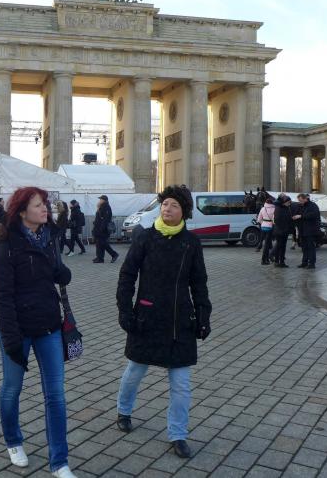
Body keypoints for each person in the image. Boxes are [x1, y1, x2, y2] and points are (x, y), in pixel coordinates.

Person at [115, 185, 211, 459]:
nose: (167, 209)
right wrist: (125, 310)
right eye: (165, 204)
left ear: (184, 212)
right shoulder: (145, 237)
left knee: (181, 383)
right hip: (147, 318)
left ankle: (178, 434)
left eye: (174, 205)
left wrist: (203, 314)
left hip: (180, 322)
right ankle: (123, 410)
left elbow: (199, 282)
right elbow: (127, 276)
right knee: (135, 370)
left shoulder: (191, 243)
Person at [0, 186, 75, 477]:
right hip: (17, 330)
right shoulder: (5, 245)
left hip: (49, 326)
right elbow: (2, 296)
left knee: (56, 395)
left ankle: (60, 462)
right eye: (39, 205)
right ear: (22, 211)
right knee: (11, 389)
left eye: (45, 205)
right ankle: (13, 441)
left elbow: (57, 274)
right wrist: (11, 339)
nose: (45, 209)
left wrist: (62, 272)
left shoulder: (49, 238)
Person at [293, 194, 320, 269]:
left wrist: (301, 216)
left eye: (300, 200)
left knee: (311, 247)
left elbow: (314, 215)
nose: (299, 202)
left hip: (310, 230)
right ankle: (304, 262)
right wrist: (295, 216)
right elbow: (297, 213)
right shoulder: (300, 206)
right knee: (304, 247)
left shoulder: (313, 205)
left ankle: (312, 263)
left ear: (305, 199)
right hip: (302, 229)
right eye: (299, 200)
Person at [92, 195, 118, 263]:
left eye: (100, 199)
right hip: (98, 228)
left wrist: (101, 229)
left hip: (103, 229)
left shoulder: (106, 207)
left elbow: (106, 219)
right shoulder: (101, 207)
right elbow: (99, 218)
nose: (99, 200)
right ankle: (100, 258)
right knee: (99, 243)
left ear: (104, 200)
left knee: (103, 243)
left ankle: (114, 254)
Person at [271, 195, 292, 268]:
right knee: (279, 247)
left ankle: (282, 262)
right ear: (284, 202)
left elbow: (287, 217)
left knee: (283, 247)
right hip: (279, 231)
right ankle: (277, 262)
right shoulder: (278, 208)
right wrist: (286, 223)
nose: (289, 204)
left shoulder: (286, 208)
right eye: (288, 202)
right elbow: (277, 220)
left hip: (284, 230)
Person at [256, 196, 275, 265]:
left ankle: (268, 258)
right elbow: (274, 220)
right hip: (270, 228)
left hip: (263, 227)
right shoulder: (274, 209)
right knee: (267, 245)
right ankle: (264, 260)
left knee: (267, 243)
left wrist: (263, 223)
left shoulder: (263, 208)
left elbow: (259, 219)